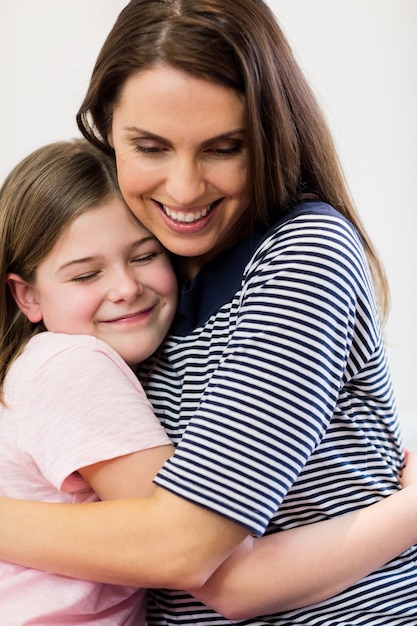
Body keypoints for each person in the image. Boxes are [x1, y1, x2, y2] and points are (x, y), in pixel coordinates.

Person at [0, 1, 416, 624]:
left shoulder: (302, 252)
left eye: (224, 148)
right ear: (106, 131)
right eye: (150, 146)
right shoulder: (137, 277)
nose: (186, 189)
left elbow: (188, 549)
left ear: (272, 135)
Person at [0, 138, 177, 624]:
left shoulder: (29, 368)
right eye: (84, 276)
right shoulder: (73, 363)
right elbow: (185, 548)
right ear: (28, 296)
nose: (125, 288)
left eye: (144, 256)